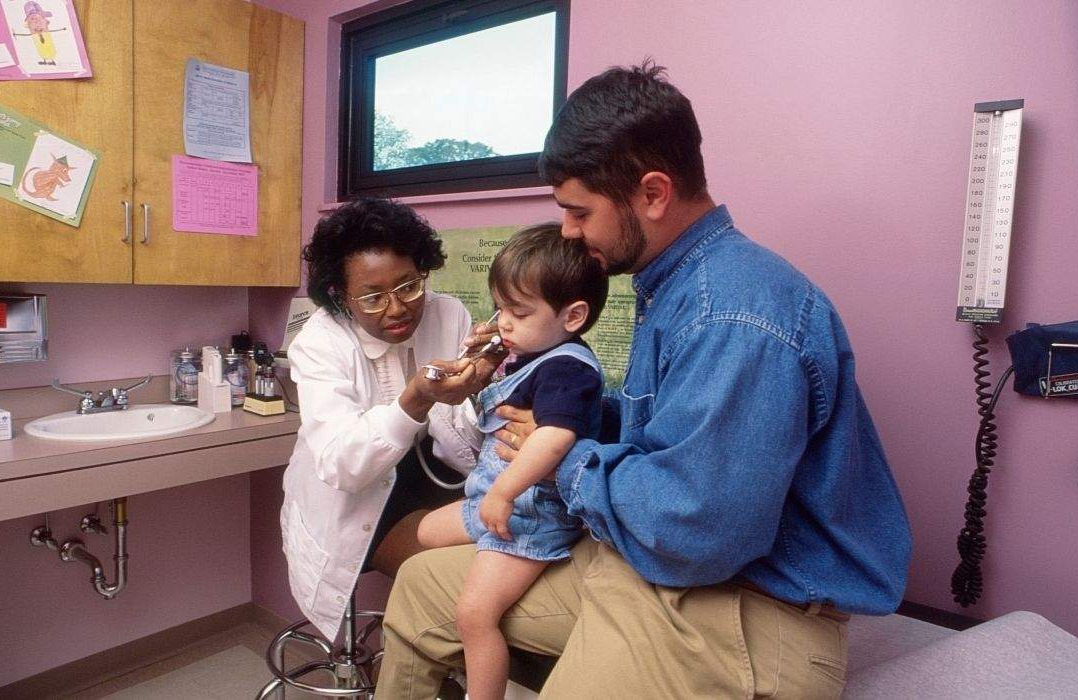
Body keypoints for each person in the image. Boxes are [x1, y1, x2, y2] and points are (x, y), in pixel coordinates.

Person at [376, 62, 911, 698]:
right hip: (650, 565)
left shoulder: (731, 313)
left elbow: (695, 529)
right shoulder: (675, 287)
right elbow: (678, 434)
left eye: (579, 213)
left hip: (738, 605)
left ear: (653, 194)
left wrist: (563, 460)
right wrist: (561, 410)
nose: (569, 233)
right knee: (420, 587)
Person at [279, 198, 504, 642]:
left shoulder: (448, 313)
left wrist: (481, 387)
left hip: (438, 477)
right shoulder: (320, 342)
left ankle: (433, 660)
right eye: (372, 296)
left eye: (408, 286)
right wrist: (412, 402)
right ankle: (420, 662)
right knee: (464, 584)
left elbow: (464, 437)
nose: (397, 308)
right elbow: (342, 464)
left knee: (504, 556)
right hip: (360, 499)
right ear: (341, 296)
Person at [416, 224, 607, 700]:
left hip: (531, 513)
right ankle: (493, 557)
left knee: (473, 616)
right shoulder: (534, 352)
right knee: (426, 532)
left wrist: (502, 493)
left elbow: (554, 439)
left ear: (573, 316)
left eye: (519, 313)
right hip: (499, 499)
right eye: (500, 308)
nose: (503, 323)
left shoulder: (567, 369)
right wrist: (484, 359)